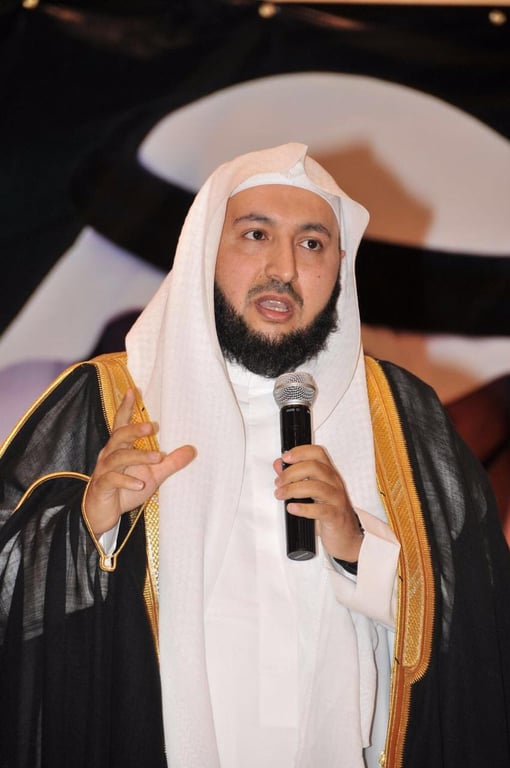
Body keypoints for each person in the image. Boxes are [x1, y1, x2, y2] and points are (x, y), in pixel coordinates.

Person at [1, 143, 509, 768]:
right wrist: (90, 525)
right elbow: (12, 603)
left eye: (312, 243)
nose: (284, 269)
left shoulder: (402, 417)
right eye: (256, 234)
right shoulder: (106, 399)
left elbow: (482, 625)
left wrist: (358, 550)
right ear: (206, 249)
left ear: (340, 266)